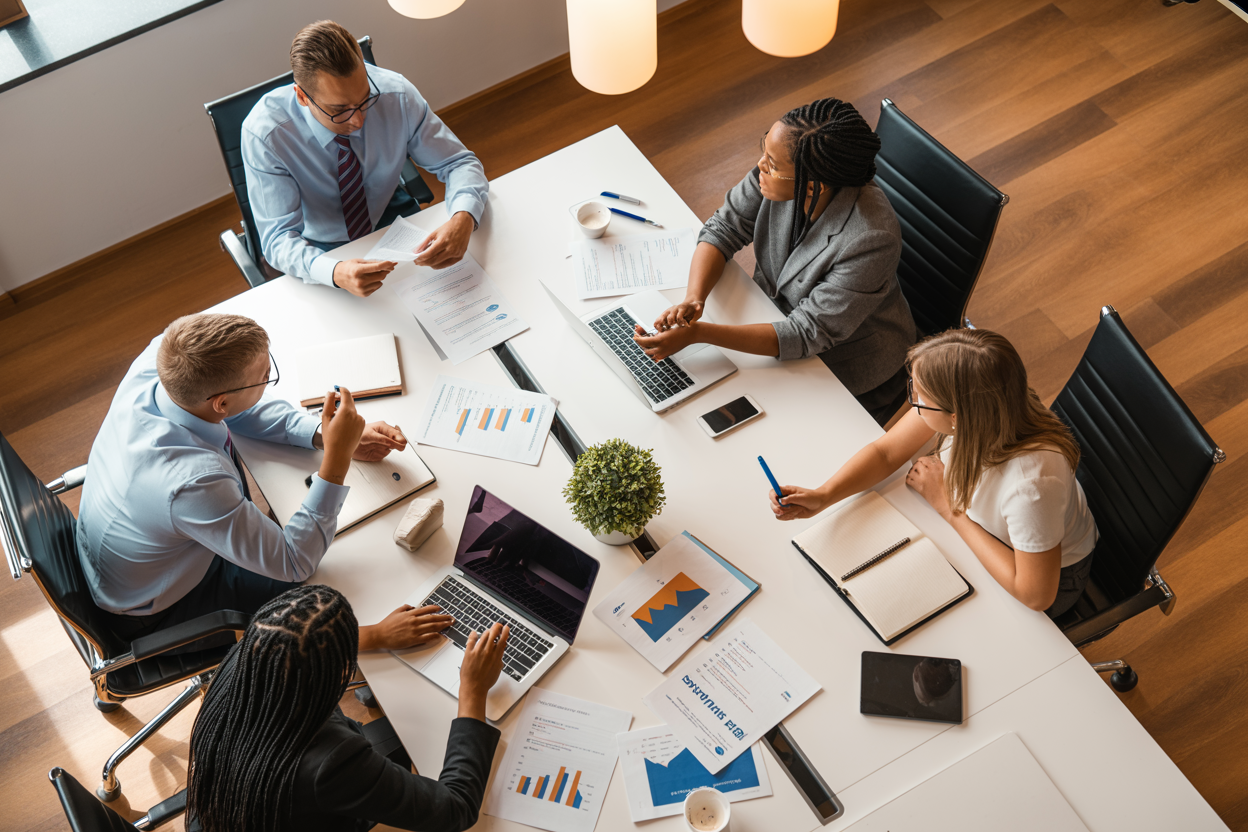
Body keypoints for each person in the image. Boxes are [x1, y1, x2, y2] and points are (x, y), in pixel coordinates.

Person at [76, 313, 425, 651]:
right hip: (155, 610)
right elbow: (294, 562)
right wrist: (338, 458)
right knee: (331, 586)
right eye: (264, 377)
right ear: (222, 401)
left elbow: (239, 409)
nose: (268, 378)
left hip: (126, 556)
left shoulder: (163, 360)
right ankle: (363, 641)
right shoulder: (190, 481)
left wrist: (320, 433)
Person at [769, 329, 1097, 618]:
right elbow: (886, 452)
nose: (915, 403)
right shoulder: (989, 405)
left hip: (1040, 572)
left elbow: (1034, 594)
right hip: (991, 530)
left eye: (921, 398)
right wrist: (825, 495)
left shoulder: (1031, 487)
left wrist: (947, 507)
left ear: (957, 416)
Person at [632, 98, 917, 425]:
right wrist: (694, 298)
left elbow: (807, 333)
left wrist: (700, 334)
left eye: (771, 163)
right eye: (764, 152)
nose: (760, 166)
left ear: (812, 186)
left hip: (846, 366)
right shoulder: (785, 170)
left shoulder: (870, 237)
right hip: (776, 318)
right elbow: (725, 226)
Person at [187, 585, 509, 832]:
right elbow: (456, 808)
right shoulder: (330, 765)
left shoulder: (247, 659)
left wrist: (378, 634)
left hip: (226, 806)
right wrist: (473, 689)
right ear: (332, 676)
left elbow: (294, 647)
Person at [242, 20, 488, 297]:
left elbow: (458, 163)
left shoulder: (397, 95)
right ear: (302, 96)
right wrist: (334, 272)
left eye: (364, 100)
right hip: (318, 247)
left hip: (387, 218)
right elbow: (277, 239)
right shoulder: (266, 134)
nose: (358, 120)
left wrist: (463, 216)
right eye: (339, 110)